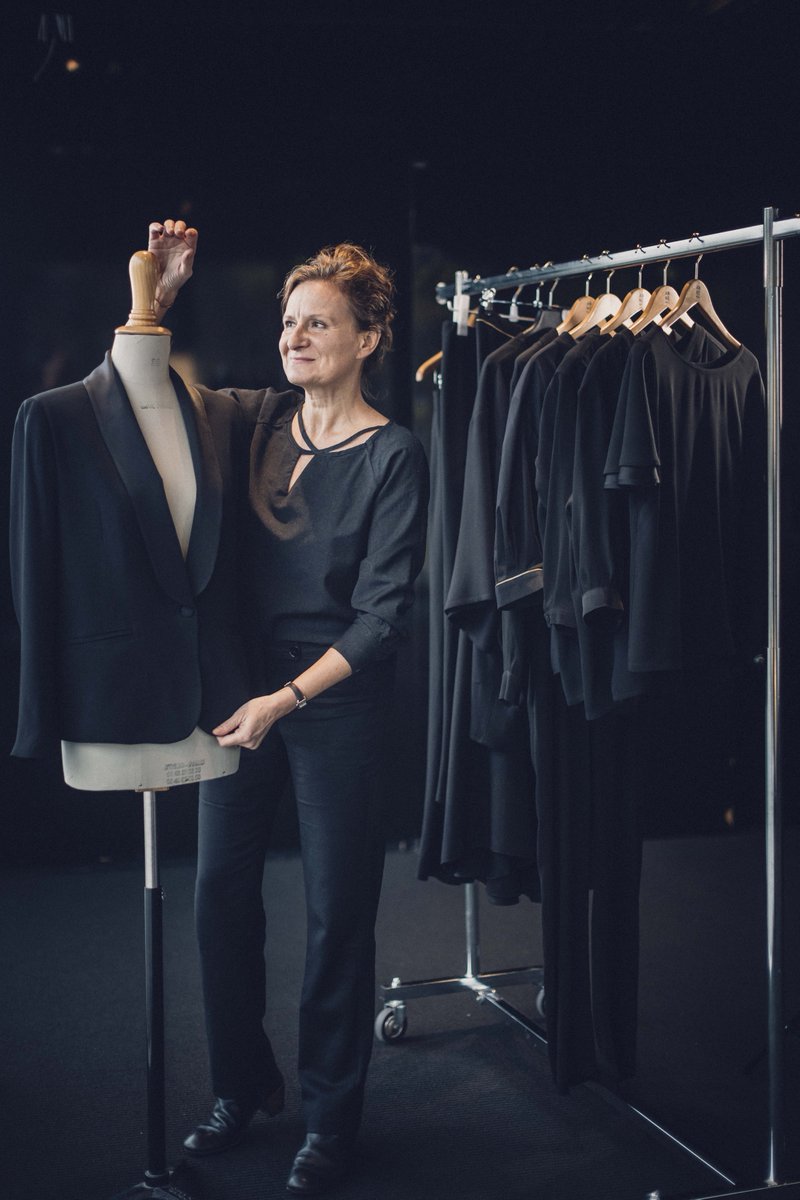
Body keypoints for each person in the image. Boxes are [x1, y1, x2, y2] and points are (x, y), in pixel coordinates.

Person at [148, 219, 429, 1195]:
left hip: (334, 707)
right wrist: (159, 298)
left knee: (334, 918)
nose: (297, 337)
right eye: (289, 322)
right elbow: (150, 400)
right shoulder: (252, 418)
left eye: (319, 324)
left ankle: (328, 1119)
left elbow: (385, 615)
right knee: (217, 898)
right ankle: (240, 1087)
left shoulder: (394, 457)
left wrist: (287, 699)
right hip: (240, 701)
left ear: (365, 339)